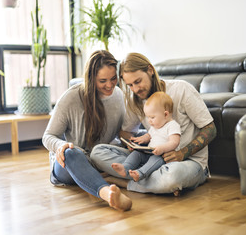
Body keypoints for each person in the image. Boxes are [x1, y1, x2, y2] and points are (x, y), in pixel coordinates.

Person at [90, 52, 217, 195]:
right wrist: (133, 144)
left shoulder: (181, 89)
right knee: (97, 152)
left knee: (172, 177)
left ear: (150, 70)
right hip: (151, 158)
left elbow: (210, 129)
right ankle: (149, 179)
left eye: (138, 81)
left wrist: (182, 153)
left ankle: (124, 182)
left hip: (188, 163)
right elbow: (126, 132)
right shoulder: (135, 99)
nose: (135, 89)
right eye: (130, 85)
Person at [42, 50, 132, 211]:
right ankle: (108, 194)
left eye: (113, 79)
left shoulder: (119, 96)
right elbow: (48, 136)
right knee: (71, 152)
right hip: (71, 163)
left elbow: (122, 133)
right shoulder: (71, 98)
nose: (110, 85)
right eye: (102, 81)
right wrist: (60, 146)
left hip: (99, 159)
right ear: (91, 79)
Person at [112, 91, 181, 182]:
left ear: (165, 114)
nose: (149, 121)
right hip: (149, 152)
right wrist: (140, 140)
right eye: (147, 117)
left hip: (162, 156)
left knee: (155, 160)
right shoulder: (155, 126)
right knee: (136, 154)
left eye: (152, 117)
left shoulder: (172, 125)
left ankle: (140, 173)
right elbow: (149, 135)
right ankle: (125, 168)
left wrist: (162, 148)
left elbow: (174, 142)